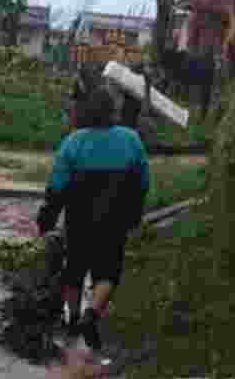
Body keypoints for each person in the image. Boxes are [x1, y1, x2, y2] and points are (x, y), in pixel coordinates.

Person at [36, 86, 151, 351]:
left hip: (79, 218)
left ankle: (73, 319)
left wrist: (46, 219)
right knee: (108, 271)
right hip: (115, 217)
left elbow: (56, 186)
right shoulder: (130, 139)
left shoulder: (74, 142)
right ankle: (92, 315)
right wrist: (134, 212)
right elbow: (143, 181)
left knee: (74, 268)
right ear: (113, 112)